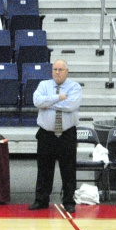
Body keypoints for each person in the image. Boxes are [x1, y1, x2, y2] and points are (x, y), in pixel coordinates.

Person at [29, 60, 81, 213]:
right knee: (44, 169)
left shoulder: (74, 87)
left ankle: (69, 202)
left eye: (60, 69)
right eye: (55, 69)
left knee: (68, 169)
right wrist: (59, 97)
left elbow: (71, 105)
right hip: (46, 134)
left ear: (67, 71)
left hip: (67, 134)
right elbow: (36, 101)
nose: (57, 72)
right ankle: (41, 200)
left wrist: (48, 103)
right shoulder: (43, 85)